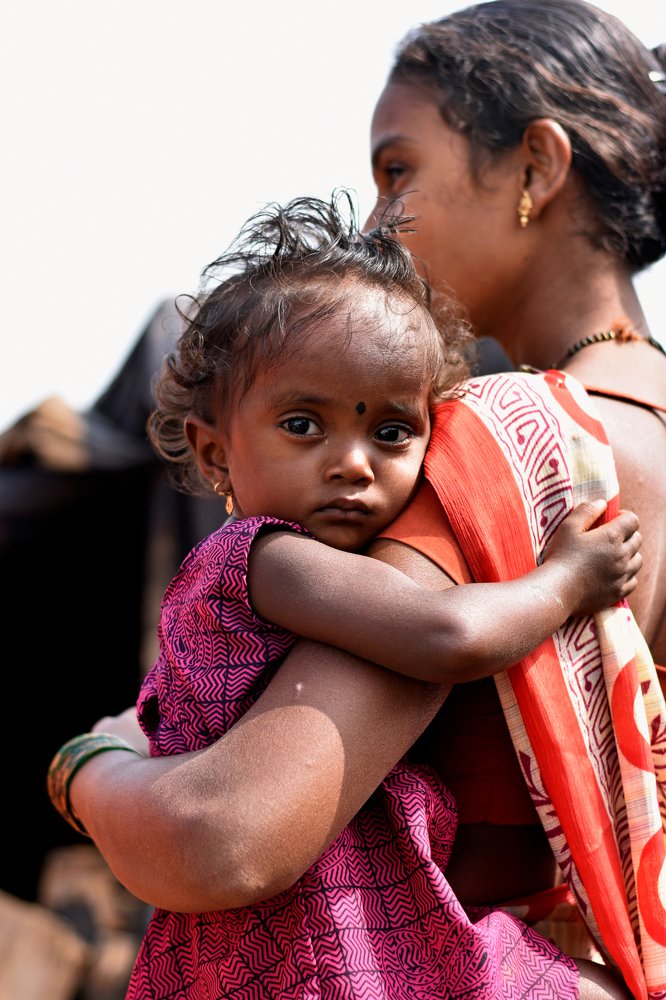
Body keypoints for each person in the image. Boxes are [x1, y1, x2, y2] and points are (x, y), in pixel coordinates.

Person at [50, 1, 666, 997]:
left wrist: (89, 763)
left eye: (398, 170)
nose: (381, 222)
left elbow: (224, 838)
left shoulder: (507, 436)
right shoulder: (644, 429)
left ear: (536, 168)